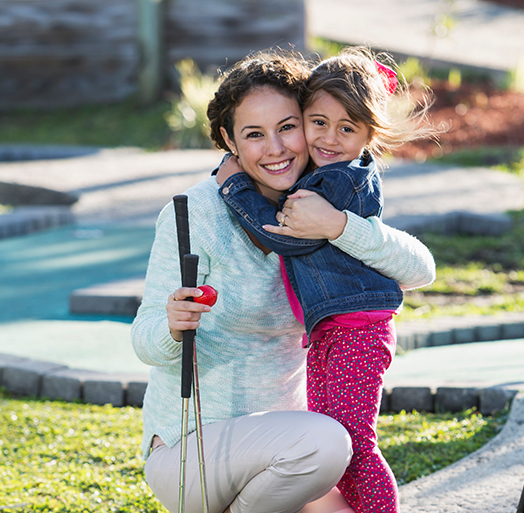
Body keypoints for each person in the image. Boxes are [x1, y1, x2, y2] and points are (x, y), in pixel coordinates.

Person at [131, 50, 436, 513]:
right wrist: (173, 325)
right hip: (191, 451)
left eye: (288, 127)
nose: (275, 148)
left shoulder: (323, 197)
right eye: (254, 134)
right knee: (334, 443)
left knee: (343, 486)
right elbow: (145, 340)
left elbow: (421, 270)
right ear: (229, 141)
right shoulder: (198, 211)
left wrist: (337, 226)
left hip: (286, 453)